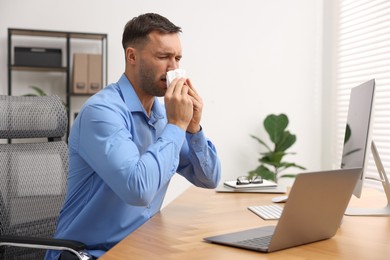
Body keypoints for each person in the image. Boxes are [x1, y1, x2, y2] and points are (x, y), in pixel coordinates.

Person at [45, 13, 221, 259]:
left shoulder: (162, 116)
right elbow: (138, 190)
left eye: (177, 58)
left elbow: (209, 179)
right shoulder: (102, 113)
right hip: (89, 254)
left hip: (140, 248)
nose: (174, 68)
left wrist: (193, 128)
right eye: (163, 57)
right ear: (132, 56)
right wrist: (177, 125)